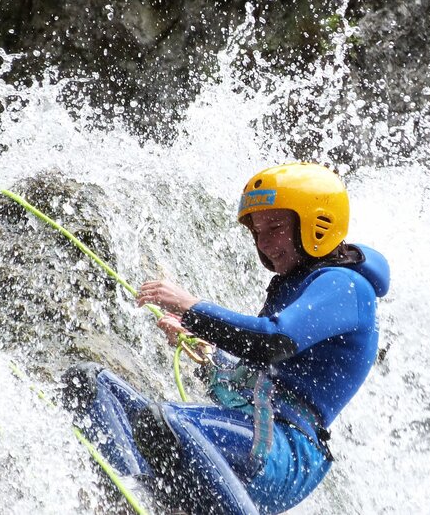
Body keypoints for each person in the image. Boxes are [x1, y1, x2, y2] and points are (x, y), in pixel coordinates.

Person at [63, 162, 390, 514]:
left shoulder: (346, 286)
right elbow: (257, 379)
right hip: (253, 432)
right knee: (90, 384)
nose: (264, 243)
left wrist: (192, 308)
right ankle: (130, 497)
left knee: (167, 425)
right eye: (257, 232)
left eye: (275, 227)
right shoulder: (295, 284)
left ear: (318, 224)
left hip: (285, 450)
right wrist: (206, 350)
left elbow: (273, 342)